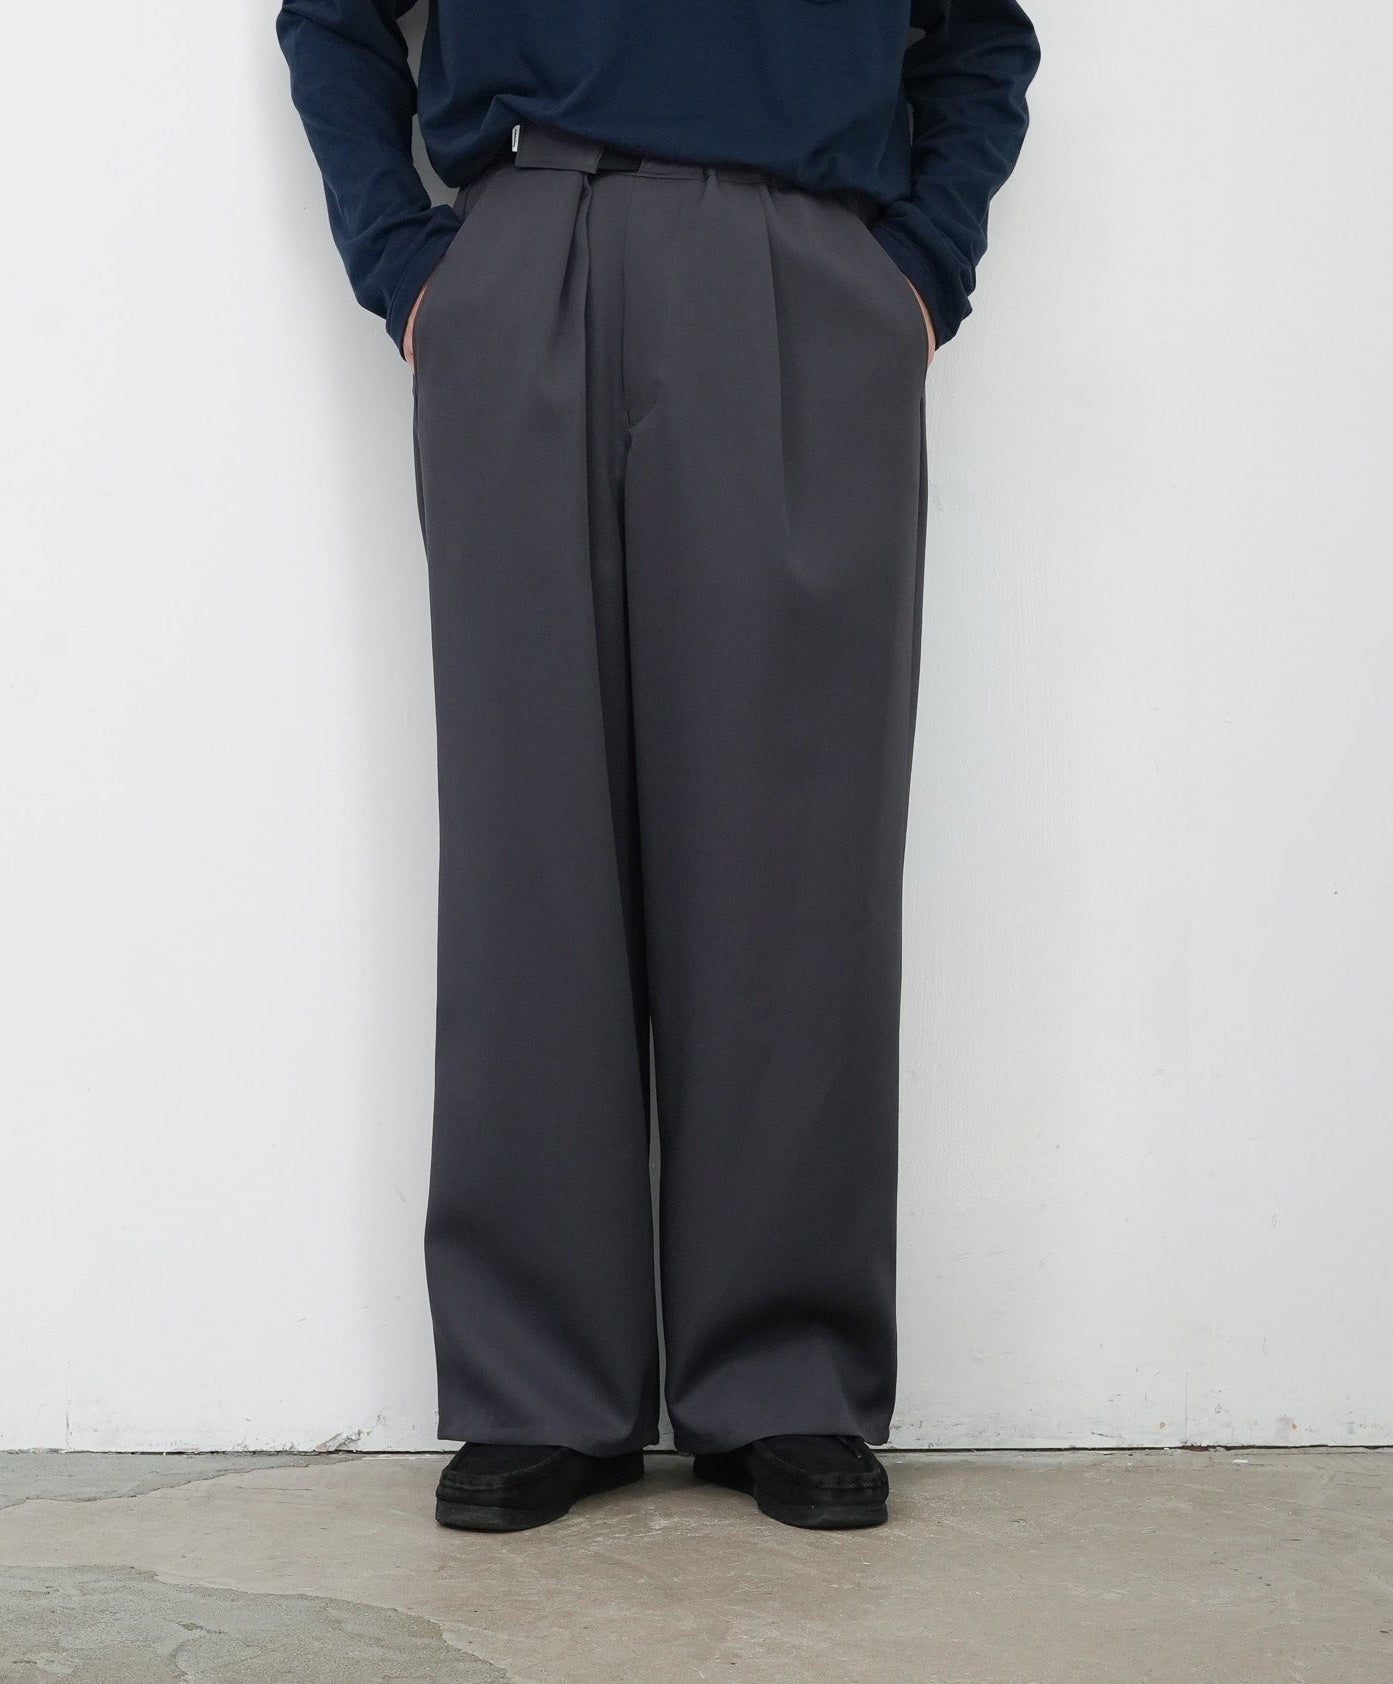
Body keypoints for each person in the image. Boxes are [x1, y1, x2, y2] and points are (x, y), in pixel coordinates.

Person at [275, 0, 1039, 1532]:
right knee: (530, 840)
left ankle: (789, 1373)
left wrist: (916, 276)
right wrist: (411, 272)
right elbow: (333, 16)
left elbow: (978, 40)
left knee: (795, 847)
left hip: (803, 268)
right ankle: (540, 1382)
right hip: (528, 250)